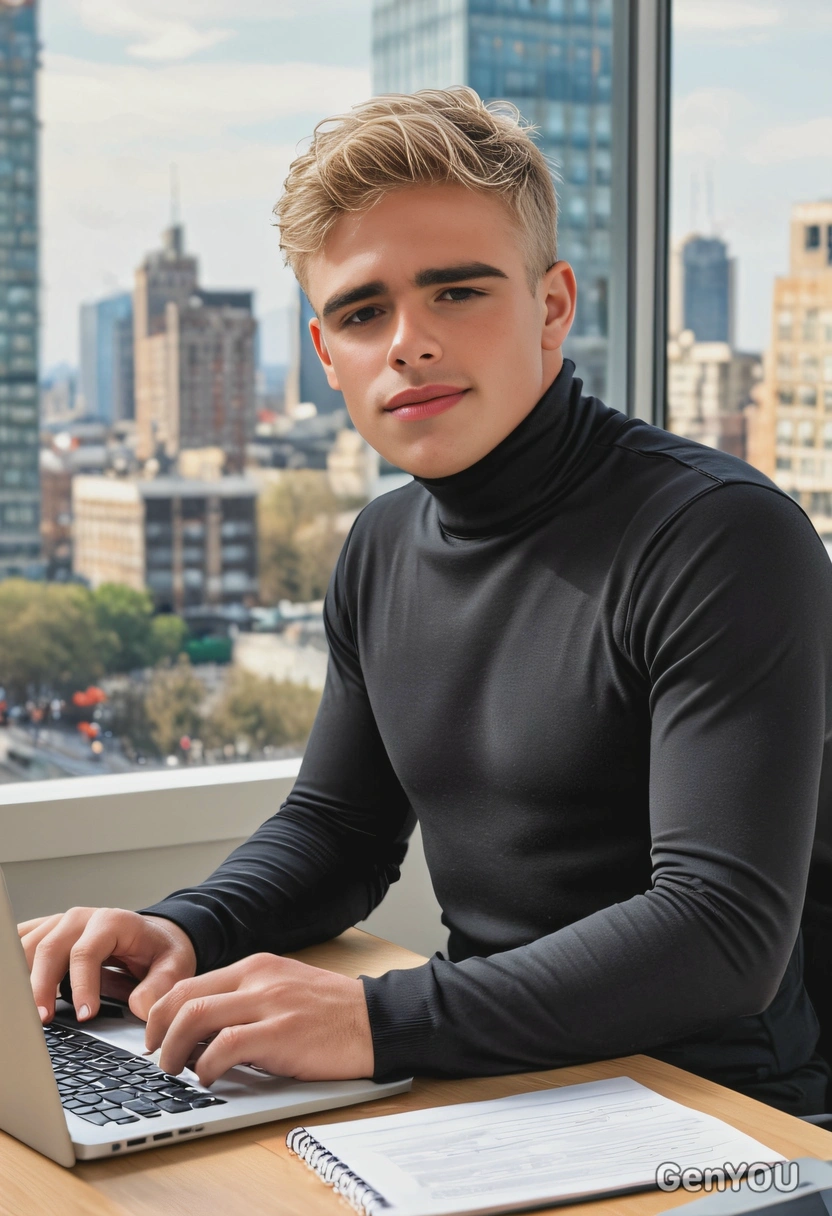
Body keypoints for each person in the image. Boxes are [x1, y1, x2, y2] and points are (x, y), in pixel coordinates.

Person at [19, 88, 832, 1114]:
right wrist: (183, 926)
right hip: (476, 1087)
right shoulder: (380, 544)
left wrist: (376, 1019)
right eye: (363, 312)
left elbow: (721, 931)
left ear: (552, 306)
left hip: (722, 1117)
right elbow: (337, 831)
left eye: (456, 292)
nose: (408, 342)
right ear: (327, 355)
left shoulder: (719, 534)